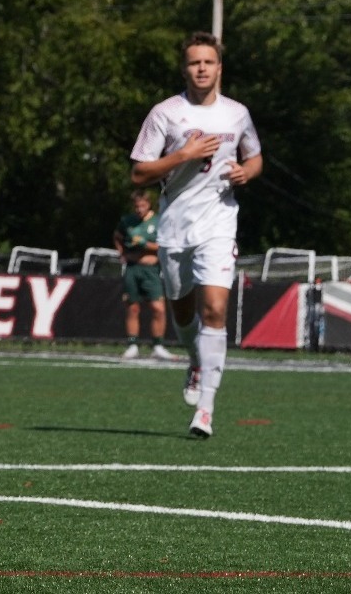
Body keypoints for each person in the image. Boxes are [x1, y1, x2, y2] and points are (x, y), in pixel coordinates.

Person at [129, 32, 263, 439]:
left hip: (219, 223)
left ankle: (205, 408)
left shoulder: (236, 114)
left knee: (216, 310)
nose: (201, 68)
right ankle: (195, 359)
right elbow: (138, 173)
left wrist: (247, 172)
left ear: (219, 67)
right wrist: (183, 155)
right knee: (183, 311)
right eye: (194, 63)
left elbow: (254, 155)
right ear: (184, 68)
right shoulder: (165, 114)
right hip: (174, 227)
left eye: (208, 62)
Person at [114, 190, 172, 360]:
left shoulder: (159, 221)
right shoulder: (127, 221)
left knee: (158, 308)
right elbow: (117, 236)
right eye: (136, 206)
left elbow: (165, 245)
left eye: (143, 205)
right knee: (132, 307)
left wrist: (145, 244)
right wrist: (122, 253)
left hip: (151, 270)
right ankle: (132, 345)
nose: (139, 209)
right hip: (133, 268)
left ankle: (158, 345)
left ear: (149, 204)